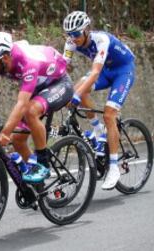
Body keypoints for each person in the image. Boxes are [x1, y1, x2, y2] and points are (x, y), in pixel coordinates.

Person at [0, 32, 73, 183]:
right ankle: (37, 178)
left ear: (4, 58)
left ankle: (43, 163)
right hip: (38, 88)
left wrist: (5, 133)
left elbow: (22, 103)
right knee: (17, 140)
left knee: (30, 111)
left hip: (59, 83)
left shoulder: (28, 62)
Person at [62, 11, 136, 190]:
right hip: (105, 70)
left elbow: (94, 72)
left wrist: (77, 96)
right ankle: (98, 130)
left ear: (87, 30)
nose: (74, 38)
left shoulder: (101, 39)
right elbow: (62, 68)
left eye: (77, 34)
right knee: (75, 89)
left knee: (109, 114)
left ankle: (114, 167)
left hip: (123, 71)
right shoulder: (71, 43)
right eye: (70, 34)